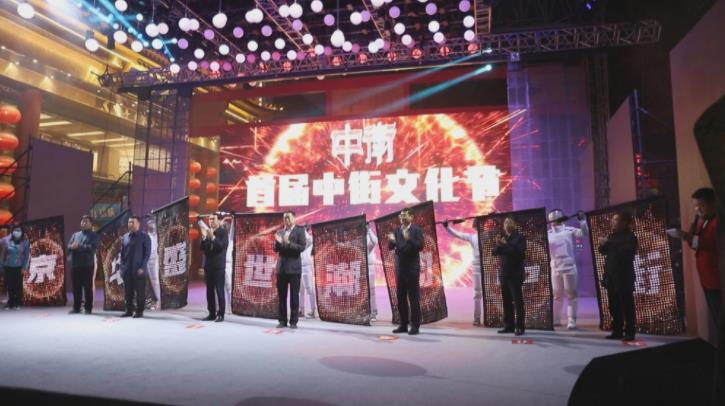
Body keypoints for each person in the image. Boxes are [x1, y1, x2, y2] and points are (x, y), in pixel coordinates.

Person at [679, 187, 720, 329]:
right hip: (707, 278)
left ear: (713, 203)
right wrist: (689, 235)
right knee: (716, 317)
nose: (698, 209)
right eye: (696, 206)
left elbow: (712, 243)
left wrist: (690, 237)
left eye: (701, 205)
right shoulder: (701, 221)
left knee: (720, 316)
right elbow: (695, 244)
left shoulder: (718, 221)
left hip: (717, 278)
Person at [598, 211, 638, 341]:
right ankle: (617, 330)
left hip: (624, 276)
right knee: (614, 305)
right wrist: (603, 244)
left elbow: (626, 253)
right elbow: (603, 251)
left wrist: (609, 244)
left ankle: (630, 331)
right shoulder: (612, 236)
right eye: (613, 220)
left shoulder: (630, 237)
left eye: (616, 220)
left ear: (624, 222)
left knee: (626, 305)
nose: (612, 222)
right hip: (611, 275)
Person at [547, 209, 589, 329]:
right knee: (557, 296)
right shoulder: (547, 233)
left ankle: (571, 320)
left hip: (569, 267)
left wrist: (582, 221)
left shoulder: (569, 230)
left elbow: (584, 233)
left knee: (571, 295)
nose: (553, 222)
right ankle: (555, 319)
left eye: (555, 219)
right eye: (551, 219)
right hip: (555, 268)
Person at [388, 207, 424, 335]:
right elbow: (391, 247)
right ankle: (403, 324)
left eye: (404, 215)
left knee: (414, 298)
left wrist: (409, 238)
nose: (401, 217)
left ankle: (415, 326)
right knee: (401, 298)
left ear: (411, 217)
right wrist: (391, 241)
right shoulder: (397, 230)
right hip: (400, 268)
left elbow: (420, 246)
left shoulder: (417, 230)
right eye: (400, 215)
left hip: (412, 269)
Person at [443, 218, 483, 326]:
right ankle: (477, 319)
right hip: (477, 267)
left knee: (492, 293)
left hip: (489, 266)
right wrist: (447, 227)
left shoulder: (490, 236)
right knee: (477, 294)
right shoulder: (472, 237)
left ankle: (497, 316)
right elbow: (458, 234)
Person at [493, 216, 527, 336]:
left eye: (509, 222)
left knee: (517, 302)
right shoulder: (504, 238)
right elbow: (494, 252)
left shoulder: (520, 238)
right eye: (505, 222)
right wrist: (498, 244)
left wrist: (505, 245)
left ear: (514, 224)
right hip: (504, 274)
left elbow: (519, 254)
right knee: (506, 301)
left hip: (515, 275)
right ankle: (509, 326)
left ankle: (520, 327)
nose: (507, 224)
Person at [274, 211, 307, 329]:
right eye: (284, 218)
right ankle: (282, 320)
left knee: (294, 296)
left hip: (294, 268)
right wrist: (277, 243)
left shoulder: (299, 231)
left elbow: (302, 247)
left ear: (294, 218)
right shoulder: (280, 232)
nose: (286, 220)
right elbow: (275, 249)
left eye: (288, 217)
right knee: (281, 296)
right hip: (281, 268)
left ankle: (293, 321)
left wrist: (288, 243)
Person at [120, 216, 151, 318]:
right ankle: (129, 310)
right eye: (129, 222)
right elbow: (122, 254)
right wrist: (122, 268)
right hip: (127, 270)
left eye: (132, 222)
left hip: (139, 270)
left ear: (138, 224)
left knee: (140, 292)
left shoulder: (144, 237)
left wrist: (142, 267)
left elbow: (147, 254)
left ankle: (139, 311)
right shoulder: (125, 237)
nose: (130, 224)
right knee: (128, 293)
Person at [67, 215, 100, 314]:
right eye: (82, 221)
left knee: (87, 287)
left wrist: (78, 246)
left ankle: (88, 308)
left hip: (87, 265)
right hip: (75, 265)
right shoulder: (75, 235)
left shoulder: (94, 235)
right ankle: (76, 307)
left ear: (91, 224)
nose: (83, 223)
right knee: (76, 287)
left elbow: (92, 248)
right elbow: (69, 246)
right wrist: (71, 247)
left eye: (86, 221)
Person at [200, 213, 229, 322]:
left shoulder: (223, 232)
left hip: (218, 266)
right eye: (209, 219)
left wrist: (212, 237)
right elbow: (202, 248)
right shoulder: (207, 232)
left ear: (218, 221)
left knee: (219, 290)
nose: (211, 221)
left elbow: (221, 247)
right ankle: (211, 313)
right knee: (209, 291)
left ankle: (221, 314)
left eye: (213, 219)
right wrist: (204, 237)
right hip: (208, 266)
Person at [1, 225, 30, 310]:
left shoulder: (25, 242)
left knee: (17, 285)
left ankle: (17, 302)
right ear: (12, 232)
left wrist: (24, 267)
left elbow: (26, 256)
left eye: (19, 230)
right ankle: (10, 303)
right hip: (8, 266)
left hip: (19, 267)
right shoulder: (7, 241)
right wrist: (1, 264)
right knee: (9, 285)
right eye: (15, 230)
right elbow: (3, 254)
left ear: (22, 232)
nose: (17, 232)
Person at [299, 228, 317, 319]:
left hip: (307, 268)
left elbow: (310, 240)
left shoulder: (310, 241)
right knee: (300, 290)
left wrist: (305, 232)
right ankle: (301, 310)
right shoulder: (299, 242)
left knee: (309, 289)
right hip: (299, 268)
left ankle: (313, 311)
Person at [146, 218, 161, 310]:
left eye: (152, 224)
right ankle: (152, 301)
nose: (151, 226)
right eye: (149, 225)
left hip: (156, 260)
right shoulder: (146, 236)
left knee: (156, 281)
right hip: (147, 261)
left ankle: (158, 301)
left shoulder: (159, 237)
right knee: (150, 282)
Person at [366, 225, 379, 321]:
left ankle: (373, 313)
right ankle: (366, 311)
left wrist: (369, 230)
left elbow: (375, 241)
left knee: (371, 291)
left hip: (370, 267)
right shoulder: (358, 237)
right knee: (364, 292)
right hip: (361, 267)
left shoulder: (369, 236)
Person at [223, 216, 234, 314]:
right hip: (219, 264)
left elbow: (232, 231)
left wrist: (233, 219)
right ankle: (218, 307)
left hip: (228, 265)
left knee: (229, 287)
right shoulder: (219, 239)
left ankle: (230, 307)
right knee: (218, 287)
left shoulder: (230, 241)